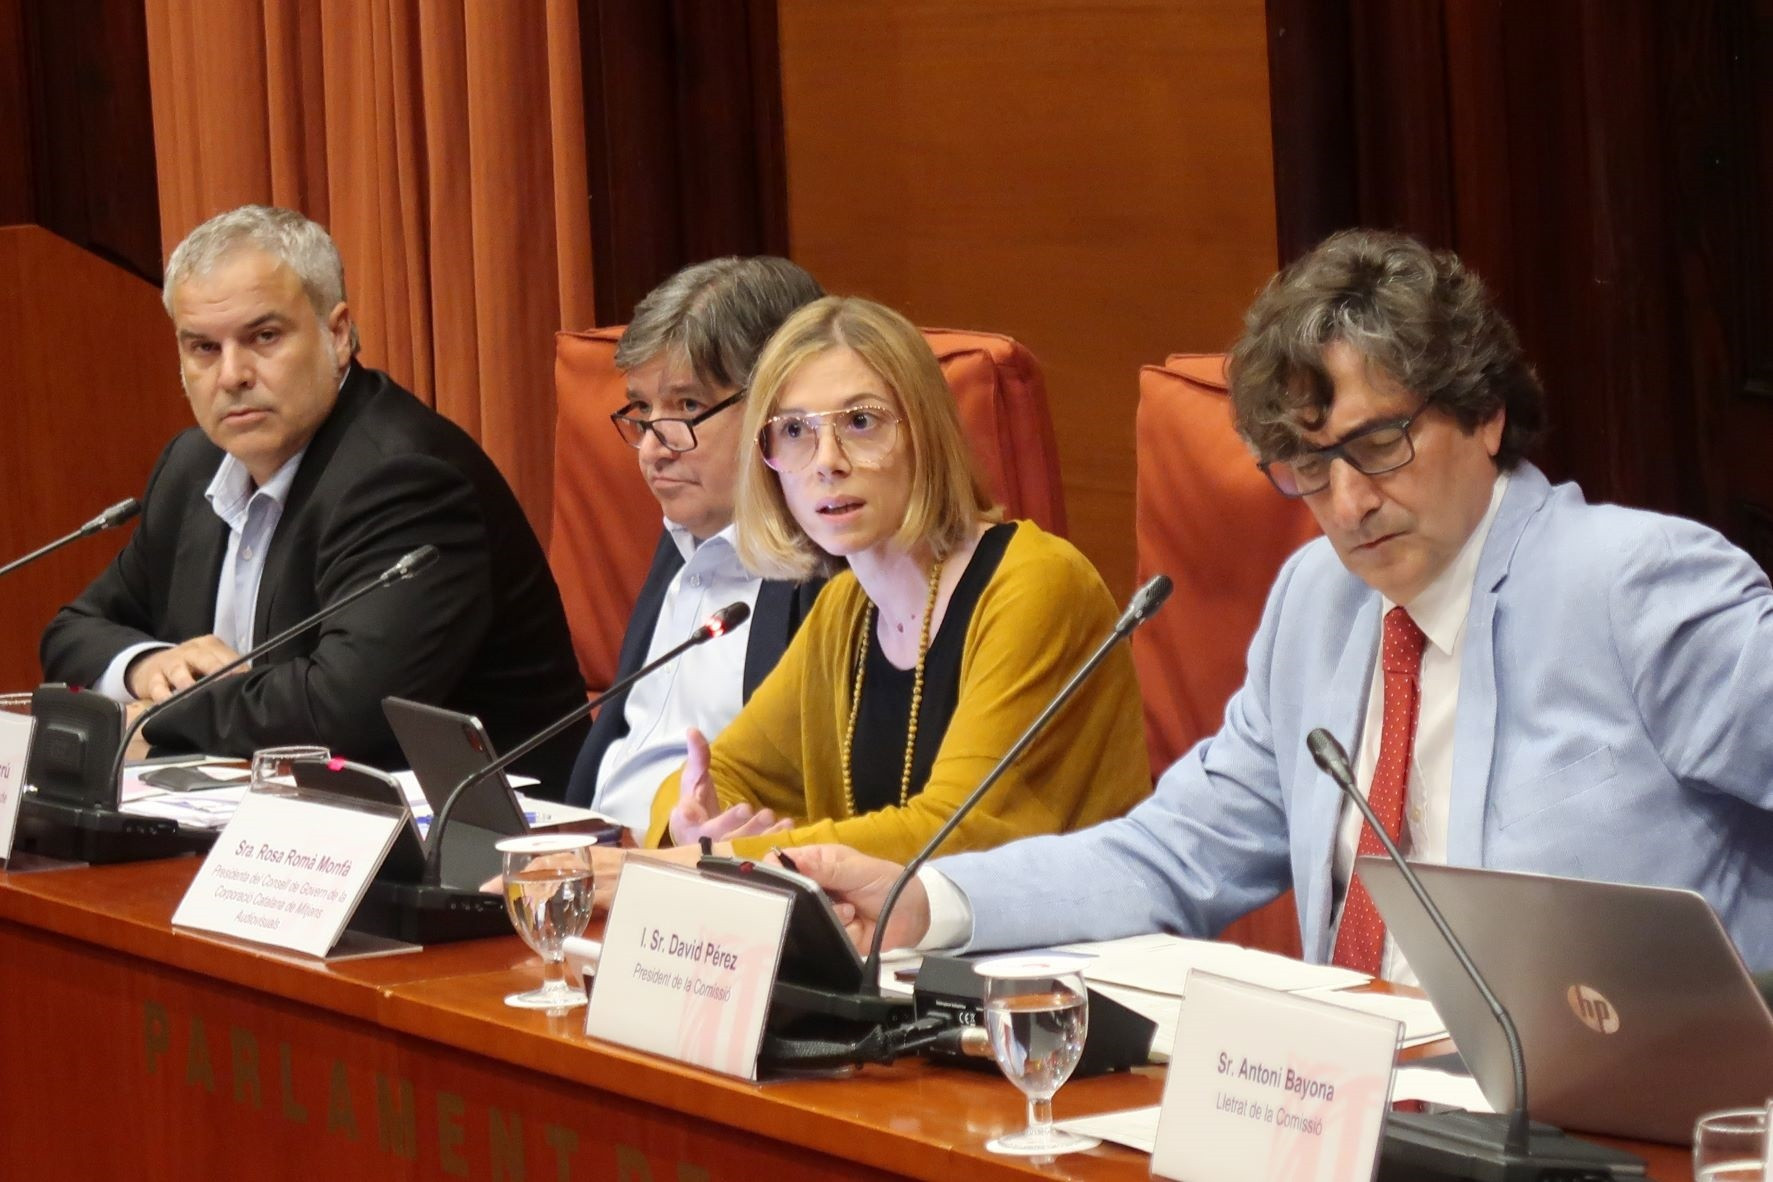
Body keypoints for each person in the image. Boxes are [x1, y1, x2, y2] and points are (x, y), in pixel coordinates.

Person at [790, 229, 1773, 975]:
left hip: (1630, 1125)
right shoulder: (1318, 601)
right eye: (1305, 464)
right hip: (1356, 1109)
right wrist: (927, 899)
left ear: (1484, 412)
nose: (1346, 503)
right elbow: (1179, 850)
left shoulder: (1635, 585)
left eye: (1378, 445)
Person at [40, 204, 590, 791]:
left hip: (477, 848)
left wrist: (162, 713)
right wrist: (150, 666)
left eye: (264, 337)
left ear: (338, 333)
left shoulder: (404, 476)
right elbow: (73, 632)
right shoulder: (191, 466)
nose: (232, 375)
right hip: (267, 824)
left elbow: (343, 712)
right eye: (203, 348)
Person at [641, 295, 1153, 864]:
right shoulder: (845, 611)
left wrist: (728, 856)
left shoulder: (1037, 585)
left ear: (925, 433)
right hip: (904, 948)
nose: (826, 461)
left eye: (861, 423)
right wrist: (693, 819)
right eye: (794, 431)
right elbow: (722, 771)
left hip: (1062, 947)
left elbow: (956, 833)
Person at [560, 257, 826, 830]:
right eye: (642, 409)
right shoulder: (685, 533)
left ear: (779, 406)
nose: (655, 447)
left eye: (687, 406)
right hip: (594, 857)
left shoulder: (832, 575)